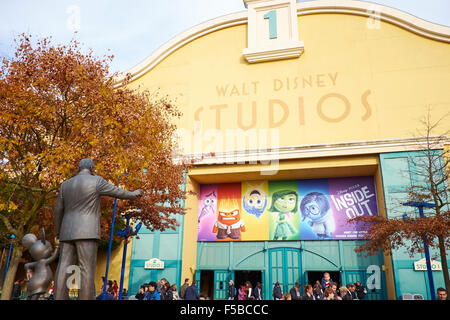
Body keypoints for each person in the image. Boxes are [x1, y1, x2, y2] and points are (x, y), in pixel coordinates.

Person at [53, 158, 142, 300]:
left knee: (63, 267)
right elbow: (117, 191)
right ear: (92, 168)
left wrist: (58, 231)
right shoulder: (97, 181)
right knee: (86, 269)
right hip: (87, 230)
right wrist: (133, 194)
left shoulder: (65, 184)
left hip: (67, 231)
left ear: (79, 168)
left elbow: (57, 209)